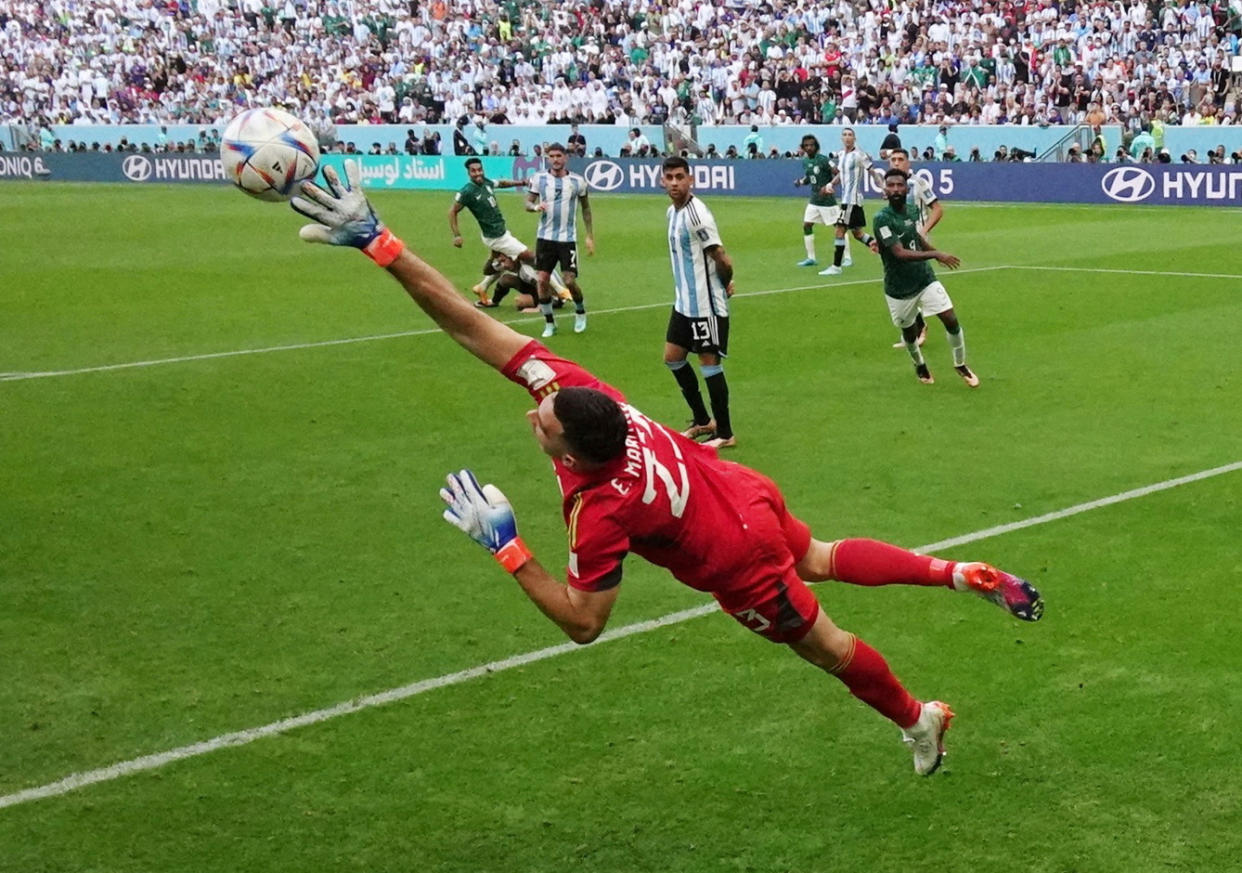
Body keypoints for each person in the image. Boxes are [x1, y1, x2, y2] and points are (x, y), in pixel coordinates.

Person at [289, 160, 1045, 777]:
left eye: (543, 423)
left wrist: (508, 548)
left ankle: (922, 719)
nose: (533, 413)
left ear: (574, 453)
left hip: (738, 559)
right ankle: (958, 572)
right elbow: (469, 321)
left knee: (832, 647)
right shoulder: (588, 395)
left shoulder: (598, 507)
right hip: (743, 494)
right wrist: (380, 244)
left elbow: (585, 622)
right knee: (817, 554)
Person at [874, 168, 979, 388]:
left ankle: (960, 364)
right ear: (884, 189)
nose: (895, 189)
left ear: (906, 188)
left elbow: (916, 240)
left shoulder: (912, 211)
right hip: (899, 288)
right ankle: (919, 363)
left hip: (924, 278)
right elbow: (900, 253)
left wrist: (934, 252)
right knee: (910, 333)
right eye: (890, 185)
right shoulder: (881, 219)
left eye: (899, 185)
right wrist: (936, 254)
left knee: (950, 318)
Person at [662, 157, 736, 450]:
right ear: (663, 181)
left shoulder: (697, 215)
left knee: (709, 364)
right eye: (669, 177)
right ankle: (703, 419)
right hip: (684, 303)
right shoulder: (672, 213)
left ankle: (725, 432)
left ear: (690, 179)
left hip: (706, 305)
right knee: (672, 358)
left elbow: (721, 256)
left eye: (680, 176)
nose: (675, 183)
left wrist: (725, 281)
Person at [525, 143, 595, 336]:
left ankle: (580, 312)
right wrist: (534, 208)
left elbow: (586, 208)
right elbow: (528, 202)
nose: (555, 160)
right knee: (542, 280)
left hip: (567, 239)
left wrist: (589, 235)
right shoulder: (539, 179)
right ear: (548, 158)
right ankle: (549, 323)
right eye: (552, 156)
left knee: (569, 281)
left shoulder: (577, 182)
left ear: (565, 158)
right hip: (544, 238)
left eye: (559, 156)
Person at [448, 157, 537, 306]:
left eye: (479, 170)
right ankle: (558, 291)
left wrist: (521, 182)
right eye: (473, 171)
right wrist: (457, 235)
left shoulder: (486, 183)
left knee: (499, 264)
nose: (477, 173)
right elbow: (452, 211)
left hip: (499, 231)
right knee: (531, 257)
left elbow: (501, 183)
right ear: (468, 173)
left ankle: (483, 287)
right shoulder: (467, 191)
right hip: (496, 236)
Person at [886, 148, 944, 349]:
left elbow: (937, 209)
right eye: (893, 159)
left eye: (900, 159)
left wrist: (924, 230)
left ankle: (920, 327)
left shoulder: (918, 183)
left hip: (916, 245)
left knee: (914, 285)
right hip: (896, 245)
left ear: (908, 162)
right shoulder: (892, 186)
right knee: (904, 287)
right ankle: (917, 327)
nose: (896, 163)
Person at [819, 128, 879, 277]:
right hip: (848, 200)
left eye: (850, 135)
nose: (847, 137)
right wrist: (831, 184)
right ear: (841, 138)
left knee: (839, 231)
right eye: (845, 135)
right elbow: (841, 174)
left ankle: (836, 266)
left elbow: (873, 172)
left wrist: (884, 187)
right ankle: (885, 248)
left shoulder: (859, 155)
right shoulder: (842, 155)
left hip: (851, 200)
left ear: (855, 138)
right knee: (858, 234)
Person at [792, 134, 838, 268]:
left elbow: (838, 172)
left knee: (839, 228)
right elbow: (809, 177)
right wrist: (800, 182)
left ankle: (847, 258)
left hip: (827, 201)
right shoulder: (806, 161)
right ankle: (811, 258)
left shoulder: (823, 160)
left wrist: (830, 185)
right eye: (806, 145)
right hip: (814, 200)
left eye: (811, 145)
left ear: (816, 146)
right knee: (807, 225)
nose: (809, 147)